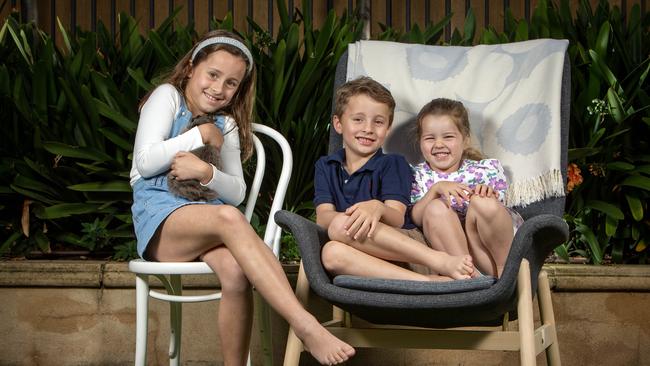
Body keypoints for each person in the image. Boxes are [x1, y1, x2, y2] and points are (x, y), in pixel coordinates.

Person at [130, 30, 354, 366]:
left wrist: (207, 174)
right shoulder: (168, 97)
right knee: (229, 219)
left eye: (231, 83)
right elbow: (145, 163)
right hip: (161, 219)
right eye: (213, 75)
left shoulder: (228, 124)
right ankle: (305, 325)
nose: (218, 89)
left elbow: (235, 192)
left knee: (235, 270)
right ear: (192, 68)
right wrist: (198, 136)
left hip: (207, 218)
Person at [314, 77, 475, 282]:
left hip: (407, 249)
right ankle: (428, 283)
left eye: (378, 122)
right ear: (338, 124)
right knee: (331, 253)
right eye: (358, 119)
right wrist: (352, 217)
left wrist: (377, 207)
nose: (368, 129)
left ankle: (440, 261)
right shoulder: (325, 166)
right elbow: (323, 217)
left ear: (388, 129)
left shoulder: (393, 163)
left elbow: (398, 217)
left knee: (339, 226)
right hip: (366, 257)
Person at [410, 98, 524, 278]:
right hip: (454, 252)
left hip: (488, 249)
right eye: (430, 138)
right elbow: (415, 217)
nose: (438, 144)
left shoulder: (485, 170)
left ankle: (507, 274)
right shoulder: (418, 176)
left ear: (465, 140)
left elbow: (500, 209)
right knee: (435, 208)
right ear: (420, 142)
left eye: (448, 137)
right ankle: (470, 280)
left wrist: (488, 193)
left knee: (483, 202)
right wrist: (436, 189)